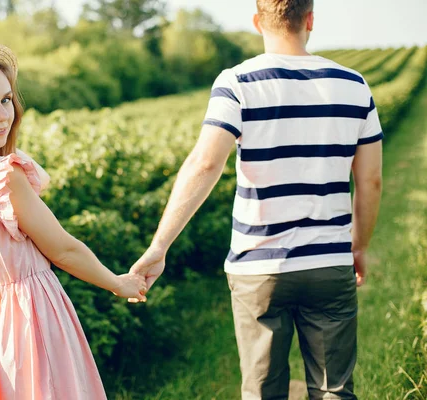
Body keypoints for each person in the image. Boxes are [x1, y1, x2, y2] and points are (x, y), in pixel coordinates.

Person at [130, 1, 383, 399]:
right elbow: (370, 180)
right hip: (329, 263)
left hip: (259, 267)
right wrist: (360, 246)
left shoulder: (237, 82)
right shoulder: (354, 85)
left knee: (263, 391)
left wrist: (159, 245)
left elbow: (204, 164)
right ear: (310, 20)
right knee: (335, 391)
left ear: (256, 22)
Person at [0, 39, 147, 399]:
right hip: (28, 312)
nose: (3, 114)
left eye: (6, 99)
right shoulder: (3, 176)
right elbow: (64, 250)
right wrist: (118, 283)